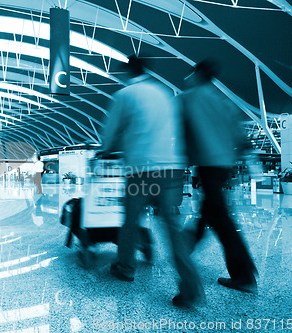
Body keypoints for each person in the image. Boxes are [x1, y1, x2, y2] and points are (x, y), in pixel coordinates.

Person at [102, 55, 204, 307]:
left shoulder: (126, 95)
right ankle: (191, 287)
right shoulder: (163, 93)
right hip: (170, 169)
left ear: (128, 71)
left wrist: (104, 150)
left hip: (142, 171)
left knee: (130, 219)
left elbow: (110, 131)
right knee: (171, 227)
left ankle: (125, 267)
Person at [179, 59, 258, 293]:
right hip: (224, 165)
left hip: (208, 164)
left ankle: (244, 276)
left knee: (221, 219)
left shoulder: (190, 98)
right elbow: (240, 137)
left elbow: (179, 131)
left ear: (196, 74)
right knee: (210, 212)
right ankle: (187, 246)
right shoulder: (223, 102)